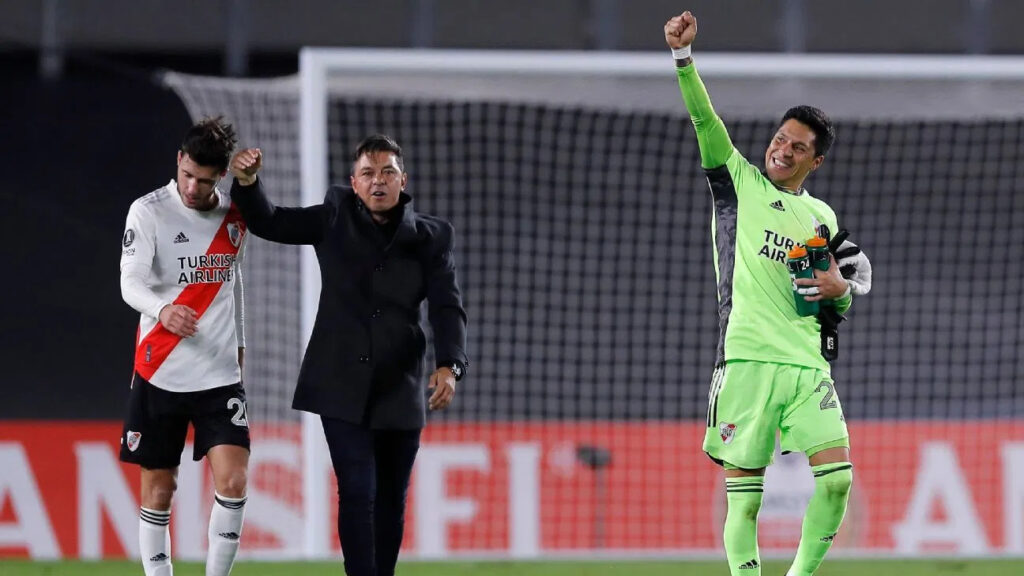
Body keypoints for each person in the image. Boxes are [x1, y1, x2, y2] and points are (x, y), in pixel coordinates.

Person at [664, 11, 873, 576]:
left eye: (798, 147)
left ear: (816, 160)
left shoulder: (822, 216)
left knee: (839, 482)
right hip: (747, 360)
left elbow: (840, 295)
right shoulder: (737, 183)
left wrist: (841, 290)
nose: (782, 150)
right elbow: (706, 123)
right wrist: (684, 60)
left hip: (807, 365)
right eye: (780, 139)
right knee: (746, 499)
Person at [228, 134, 468, 576]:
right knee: (358, 489)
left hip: (402, 384)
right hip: (340, 383)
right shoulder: (334, 218)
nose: (378, 181)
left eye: (387, 172)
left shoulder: (433, 237)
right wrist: (247, 183)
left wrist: (450, 365)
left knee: (392, 497)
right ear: (354, 183)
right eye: (368, 173)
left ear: (403, 180)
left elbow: (447, 305)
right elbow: (271, 221)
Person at [119, 116, 251, 576]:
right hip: (161, 371)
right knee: (159, 492)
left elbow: (233, 283)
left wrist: (242, 342)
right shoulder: (149, 211)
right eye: (187, 174)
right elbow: (129, 283)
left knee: (234, 482)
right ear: (179, 160)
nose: (193, 187)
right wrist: (162, 310)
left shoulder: (233, 216)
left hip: (219, 374)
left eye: (204, 179)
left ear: (220, 177)